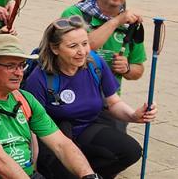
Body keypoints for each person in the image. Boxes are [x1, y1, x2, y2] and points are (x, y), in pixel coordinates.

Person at [0, 34, 100, 179]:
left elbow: (61, 144)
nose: (19, 73)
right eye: (11, 66)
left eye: (21, 65)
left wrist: (89, 175)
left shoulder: (25, 98)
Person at [24, 16, 157, 179]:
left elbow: (113, 101)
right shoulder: (39, 79)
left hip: (86, 127)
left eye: (85, 43)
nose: (82, 51)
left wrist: (134, 115)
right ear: (55, 48)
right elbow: (31, 128)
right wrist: (33, 169)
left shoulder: (95, 63)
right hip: (54, 137)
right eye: (73, 46)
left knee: (130, 151)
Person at [60, 0, 146, 86]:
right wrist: (116, 21)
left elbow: (138, 68)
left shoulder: (131, 23)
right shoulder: (74, 14)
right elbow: (85, 47)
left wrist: (127, 69)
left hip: (110, 95)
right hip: (73, 91)